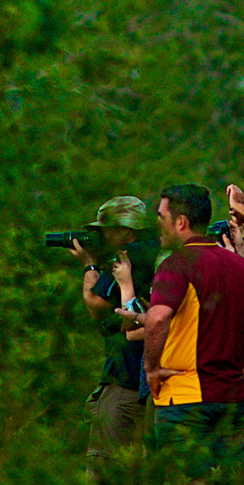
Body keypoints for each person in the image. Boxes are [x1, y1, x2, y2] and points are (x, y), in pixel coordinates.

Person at [144, 184, 244, 474]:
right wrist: (242, 367)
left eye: (161, 217)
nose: (158, 224)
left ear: (180, 222)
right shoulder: (242, 267)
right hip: (231, 400)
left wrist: (152, 368)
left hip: (184, 400)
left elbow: (158, 319)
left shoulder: (177, 264)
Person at [70, 195, 158, 459]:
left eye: (107, 230)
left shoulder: (129, 257)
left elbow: (95, 302)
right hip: (157, 379)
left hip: (125, 379)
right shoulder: (164, 254)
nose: (104, 236)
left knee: (105, 468)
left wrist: (90, 264)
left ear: (126, 231)